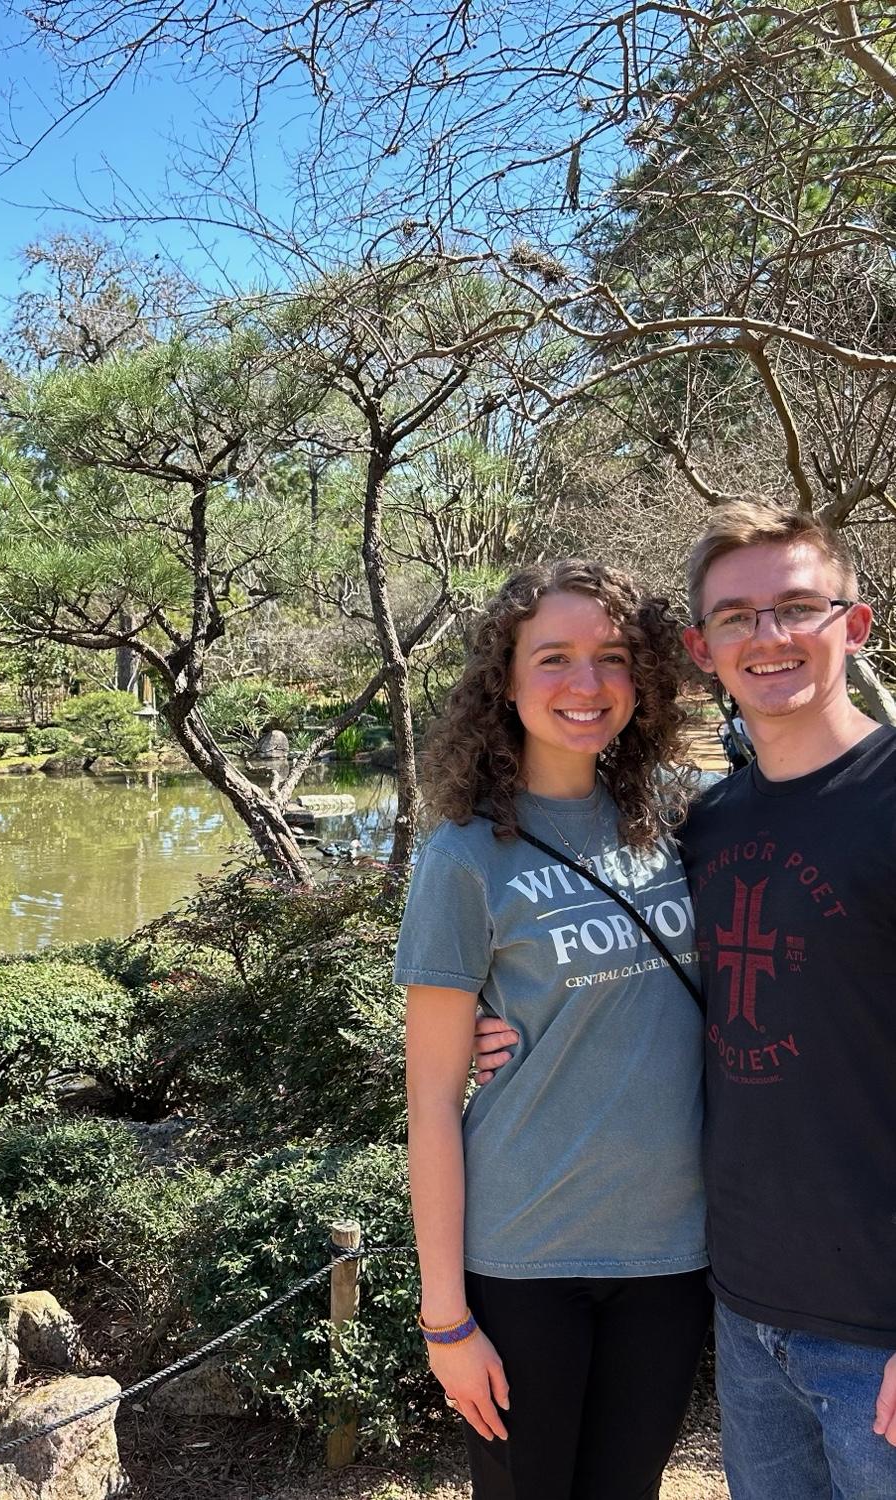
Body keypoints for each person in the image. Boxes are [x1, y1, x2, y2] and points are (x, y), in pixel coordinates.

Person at [474, 504, 896, 1499]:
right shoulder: (699, 828)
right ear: (703, 650)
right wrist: (502, 1029)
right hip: (745, 1316)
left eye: (798, 606)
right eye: (738, 618)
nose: (770, 637)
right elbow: (625, 973)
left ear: (857, 625)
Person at [394, 559, 710, 1500]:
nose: (586, 684)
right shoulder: (463, 856)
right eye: (555, 657)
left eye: (612, 657)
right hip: (524, 1255)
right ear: (506, 678)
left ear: (644, 676)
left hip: (673, 1254)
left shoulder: (681, 819)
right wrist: (444, 1316)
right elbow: (431, 1103)